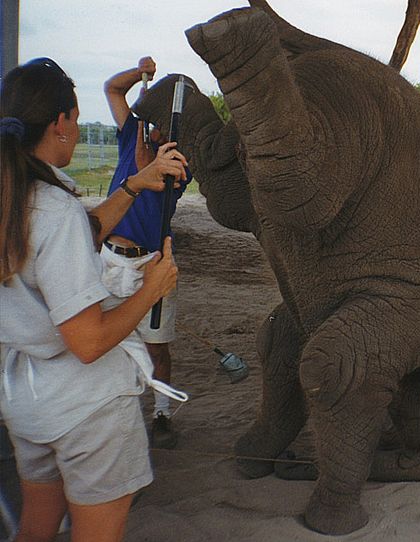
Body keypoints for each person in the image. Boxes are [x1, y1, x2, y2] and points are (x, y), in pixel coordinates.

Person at [0, 58, 187, 541]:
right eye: (78, 119)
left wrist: (131, 186)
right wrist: (151, 289)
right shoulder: (55, 209)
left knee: (36, 524)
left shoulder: (15, 197)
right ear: (60, 123)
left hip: (28, 399)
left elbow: (80, 229)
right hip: (87, 411)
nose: (80, 130)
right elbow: (87, 341)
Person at [103, 57, 191, 449]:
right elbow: (112, 88)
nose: (155, 129)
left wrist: (143, 125)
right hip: (109, 258)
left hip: (150, 264)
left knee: (156, 345)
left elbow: (147, 171)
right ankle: (113, 412)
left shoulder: (175, 166)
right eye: (153, 122)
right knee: (105, 338)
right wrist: (141, 75)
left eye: (161, 126)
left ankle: (160, 413)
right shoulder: (130, 136)